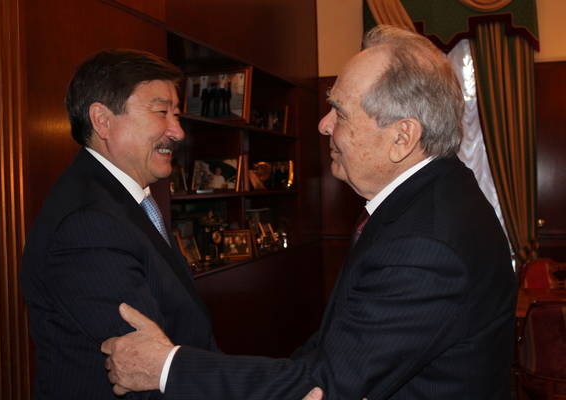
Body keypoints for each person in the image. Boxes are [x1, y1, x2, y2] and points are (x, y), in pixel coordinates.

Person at [102, 25, 516, 399]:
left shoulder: (424, 243)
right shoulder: (432, 197)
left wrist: (167, 368)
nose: (323, 124)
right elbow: (329, 352)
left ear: (402, 137)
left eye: (340, 112)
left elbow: (326, 384)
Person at [19, 49, 218, 399]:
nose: (177, 131)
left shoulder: (121, 201)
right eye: (161, 112)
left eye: (176, 114)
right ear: (102, 120)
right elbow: (143, 370)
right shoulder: (88, 224)